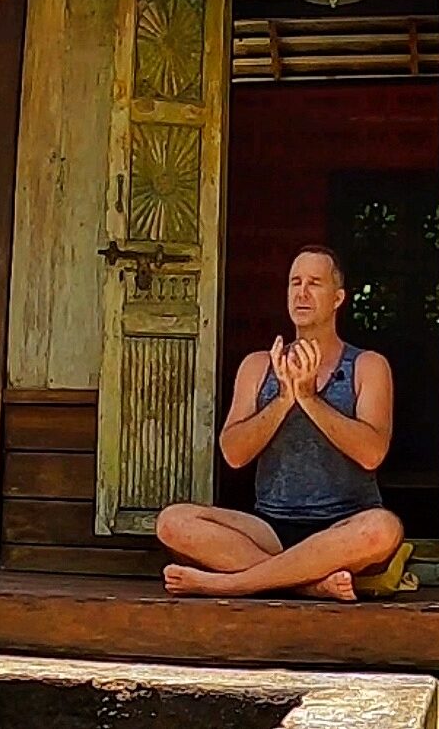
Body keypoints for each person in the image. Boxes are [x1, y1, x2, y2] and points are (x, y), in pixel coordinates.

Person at [154, 246, 406, 601]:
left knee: (383, 529)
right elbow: (234, 454)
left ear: (338, 298)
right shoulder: (258, 366)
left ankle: (229, 584)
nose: (302, 293)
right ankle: (310, 584)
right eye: (295, 283)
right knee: (172, 521)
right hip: (269, 527)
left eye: (314, 283)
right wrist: (285, 398)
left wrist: (309, 398)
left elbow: (371, 454)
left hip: (343, 525)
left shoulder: (368, 366)